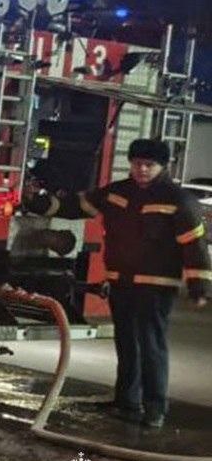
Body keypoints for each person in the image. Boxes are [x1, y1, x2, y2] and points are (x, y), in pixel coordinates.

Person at [27, 138, 211, 428]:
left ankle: (154, 408)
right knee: (126, 343)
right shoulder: (118, 192)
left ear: (164, 166)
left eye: (149, 165)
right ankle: (127, 403)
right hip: (121, 282)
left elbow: (194, 246)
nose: (142, 169)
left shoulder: (178, 200)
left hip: (156, 285)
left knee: (151, 345)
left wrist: (200, 287)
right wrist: (40, 203)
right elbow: (78, 205)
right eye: (137, 163)